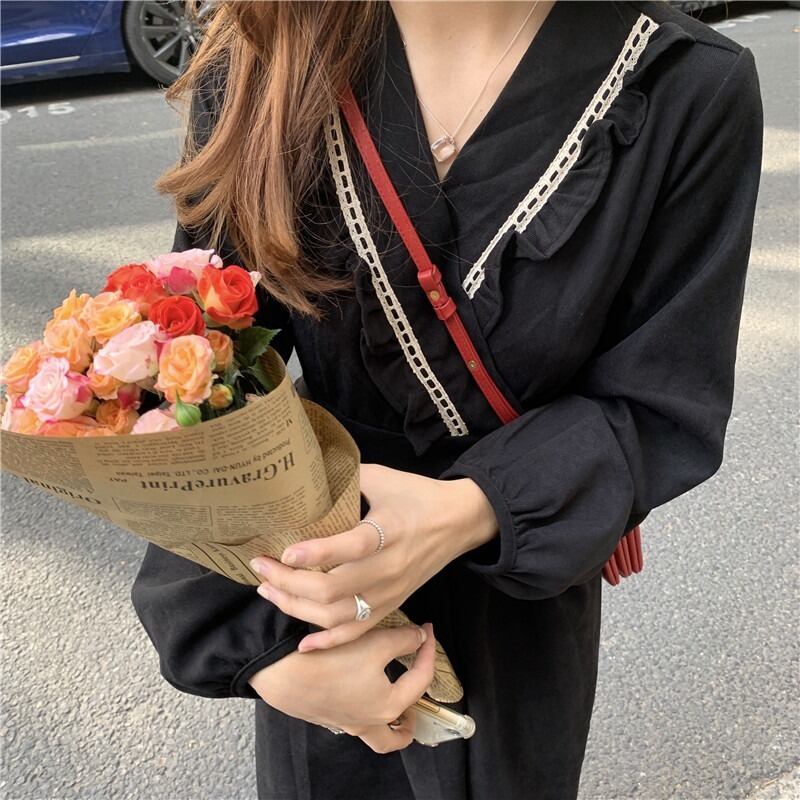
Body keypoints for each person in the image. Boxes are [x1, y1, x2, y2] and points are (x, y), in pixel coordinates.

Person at [130, 1, 763, 798]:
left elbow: (663, 400)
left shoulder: (685, 84)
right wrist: (263, 654)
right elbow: (201, 375)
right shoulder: (268, 50)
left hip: (519, 601)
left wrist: (471, 509)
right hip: (318, 597)